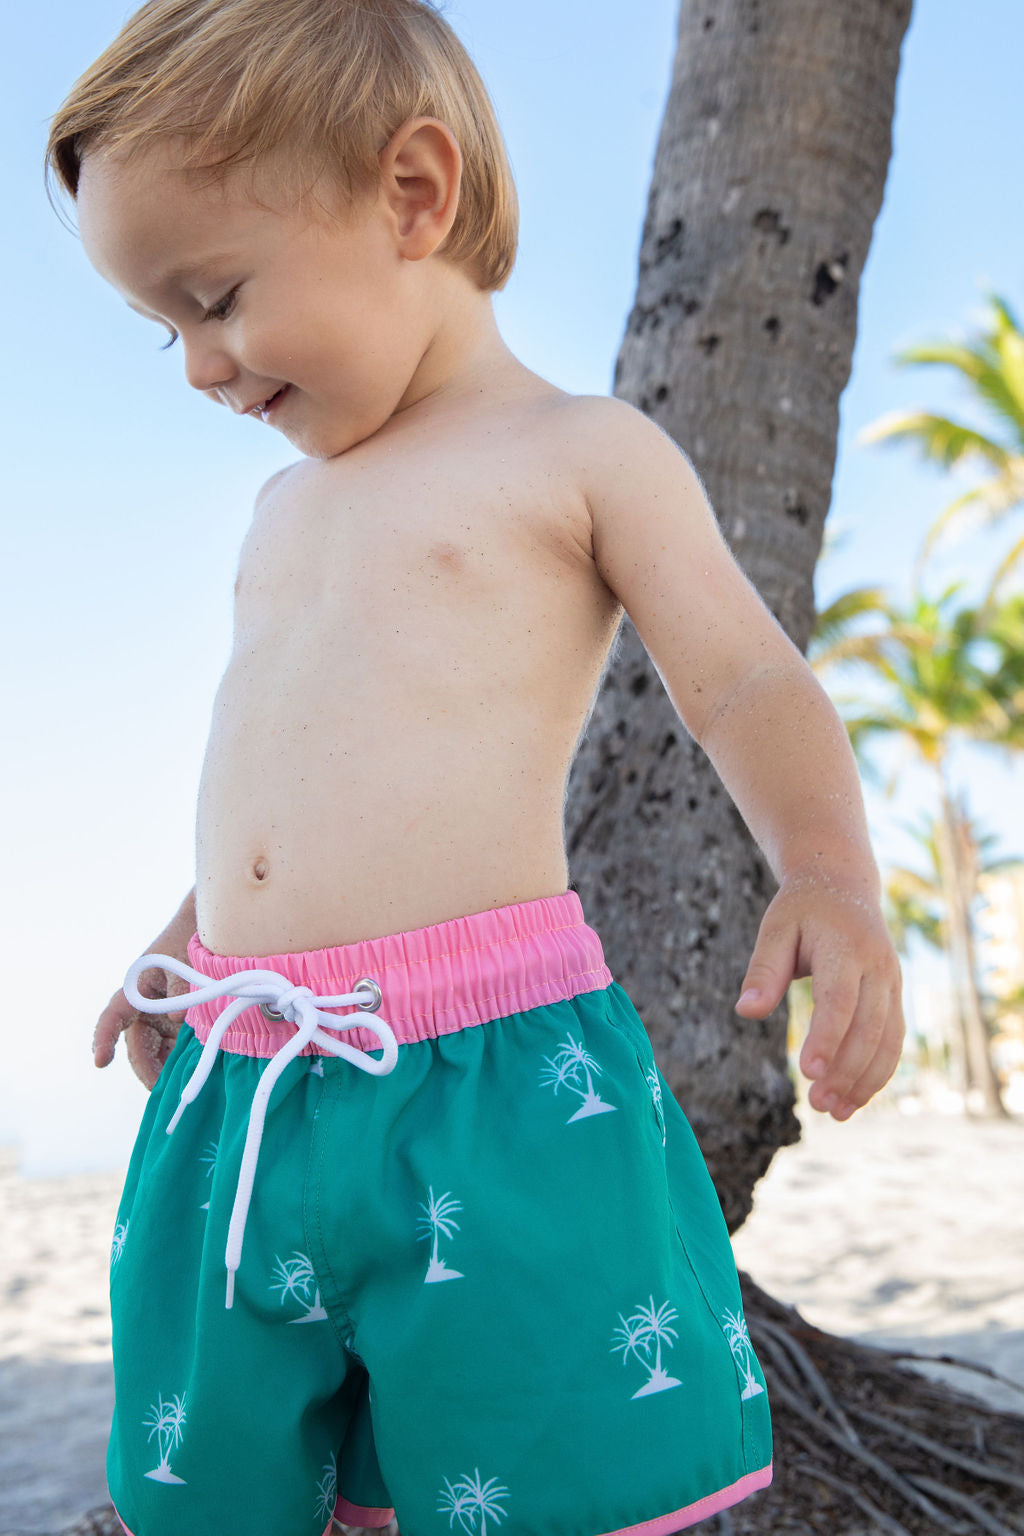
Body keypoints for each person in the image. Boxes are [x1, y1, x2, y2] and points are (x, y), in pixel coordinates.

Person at [45, 2, 905, 1533]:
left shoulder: (579, 453)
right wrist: (195, 930)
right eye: (163, 329)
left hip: (488, 1076)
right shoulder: (281, 513)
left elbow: (746, 679)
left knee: (531, 1474)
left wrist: (831, 875)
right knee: (226, 1485)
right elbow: (284, 766)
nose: (196, 368)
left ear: (413, 193)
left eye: (216, 298)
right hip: (246, 1081)